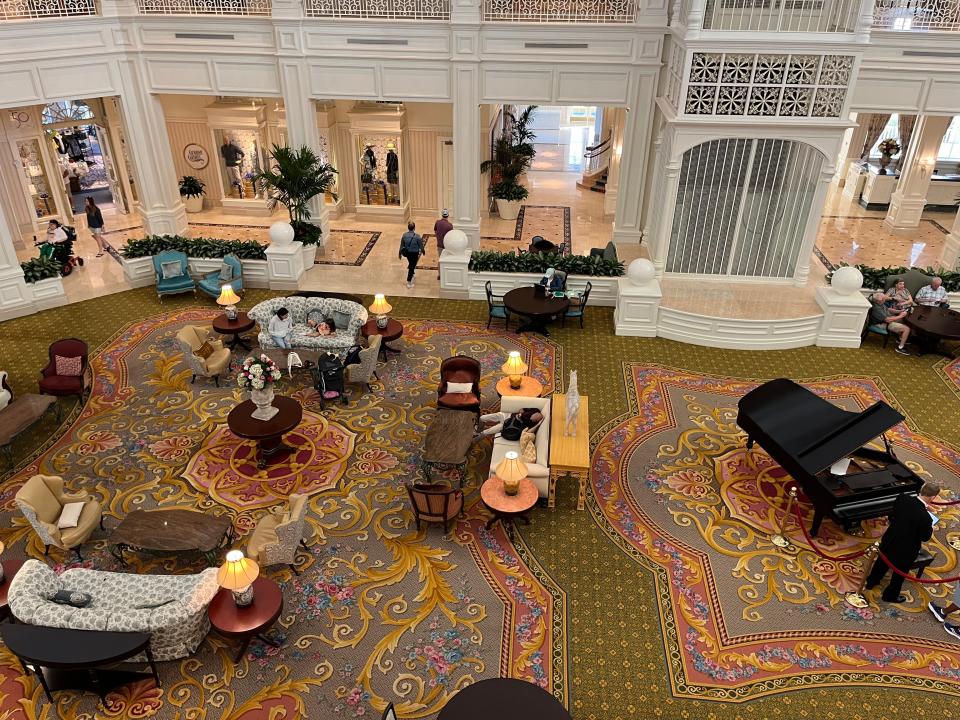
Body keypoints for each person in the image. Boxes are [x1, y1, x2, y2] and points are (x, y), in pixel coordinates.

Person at [864, 483, 940, 603]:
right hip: (906, 551)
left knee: (881, 562)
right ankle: (890, 596)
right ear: (933, 498)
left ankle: (871, 582)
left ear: (921, 490)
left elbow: (892, 516)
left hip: (890, 539)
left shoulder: (903, 498)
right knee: (899, 575)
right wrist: (930, 528)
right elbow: (924, 537)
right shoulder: (926, 519)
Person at [473, 407, 544, 442]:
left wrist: (538, 424)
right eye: (534, 416)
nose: (532, 418)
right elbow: (522, 409)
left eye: (534, 419)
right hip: (508, 416)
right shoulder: (535, 410)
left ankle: (474, 440)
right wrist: (520, 413)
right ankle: (479, 430)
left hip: (507, 426)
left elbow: (528, 432)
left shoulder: (534, 424)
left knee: (486, 432)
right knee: (482, 418)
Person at [398, 221, 424, 289]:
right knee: (412, 266)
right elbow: (421, 245)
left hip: (408, 253)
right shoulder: (417, 236)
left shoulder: (404, 235)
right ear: (414, 228)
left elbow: (402, 245)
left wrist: (399, 253)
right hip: (415, 253)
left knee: (411, 263)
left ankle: (412, 274)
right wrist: (423, 251)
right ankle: (409, 281)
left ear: (408, 228)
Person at [434, 209, 453, 279]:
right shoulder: (450, 225)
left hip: (439, 245)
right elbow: (450, 236)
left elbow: (435, 231)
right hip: (446, 246)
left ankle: (439, 274)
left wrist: (438, 238)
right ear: (448, 216)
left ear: (442, 215)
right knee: (447, 260)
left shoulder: (437, 222)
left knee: (440, 259)